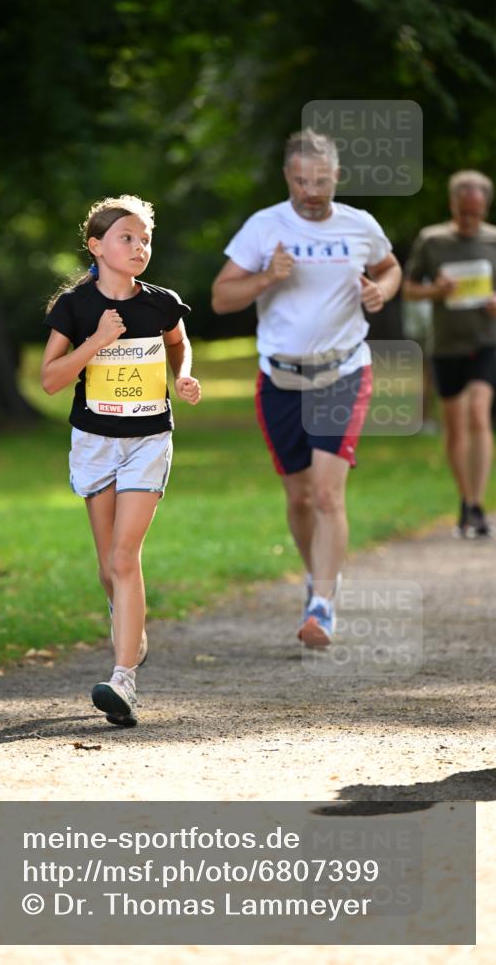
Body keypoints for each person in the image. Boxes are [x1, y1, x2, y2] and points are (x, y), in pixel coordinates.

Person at [212, 129, 401, 648]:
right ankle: (317, 577)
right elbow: (221, 298)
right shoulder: (264, 226)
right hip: (280, 377)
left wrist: (381, 291)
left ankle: (323, 604)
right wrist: (267, 277)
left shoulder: (360, 225)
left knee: (325, 493)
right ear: (287, 178)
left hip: (343, 371)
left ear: (336, 176)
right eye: (300, 181)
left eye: (320, 181)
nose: (311, 192)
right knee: (298, 497)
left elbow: (389, 267)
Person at [41, 195, 201, 727]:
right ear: (96, 246)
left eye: (145, 239)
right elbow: (50, 380)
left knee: (125, 557)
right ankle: (128, 624)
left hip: (148, 440)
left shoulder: (161, 303)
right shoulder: (76, 307)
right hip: (95, 441)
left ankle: (123, 681)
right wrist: (97, 341)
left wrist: (183, 375)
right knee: (108, 565)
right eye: (126, 238)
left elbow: (179, 343)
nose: (139, 247)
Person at [403, 170, 496, 538]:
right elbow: (409, 288)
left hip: (487, 341)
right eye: (463, 212)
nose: (469, 220)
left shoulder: (493, 240)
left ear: (485, 207)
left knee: (479, 414)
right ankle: (465, 498)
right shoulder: (432, 241)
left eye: (475, 213)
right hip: (446, 345)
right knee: (455, 425)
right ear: (452, 205)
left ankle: (477, 503)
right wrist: (436, 291)